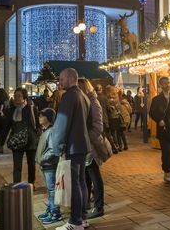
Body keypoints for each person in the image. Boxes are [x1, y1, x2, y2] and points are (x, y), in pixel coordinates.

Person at [52, 68, 91, 230]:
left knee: (74, 184)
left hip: (73, 147)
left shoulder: (69, 97)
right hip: (82, 145)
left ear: (70, 78)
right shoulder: (83, 96)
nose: (59, 82)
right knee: (81, 182)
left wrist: (57, 146)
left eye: (61, 78)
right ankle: (82, 217)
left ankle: (75, 222)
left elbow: (61, 124)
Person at [78, 79, 106, 219]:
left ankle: (99, 206)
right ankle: (87, 203)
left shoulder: (93, 102)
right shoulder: (84, 102)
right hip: (84, 145)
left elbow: (98, 127)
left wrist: (87, 139)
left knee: (94, 175)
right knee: (86, 175)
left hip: (91, 145)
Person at [5, 87, 40, 185]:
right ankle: (16, 185)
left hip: (30, 141)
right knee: (17, 166)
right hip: (17, 141)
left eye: (19, 96)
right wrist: (0, 142)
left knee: (31, 164)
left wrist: (37, 135)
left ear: (24, 98)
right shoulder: (11, 110)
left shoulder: (31, 109)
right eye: (15, 96)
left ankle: (31, 183)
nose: (16, 98)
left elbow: (37, 124)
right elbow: (6, 126)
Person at [35, 108, 61, 225]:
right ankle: (50, 209)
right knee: (49, 189)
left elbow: (52, 150)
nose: (39, 117)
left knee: (52, 189)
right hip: (46, 165)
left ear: (49, 119)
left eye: (42, 116)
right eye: (39, 115)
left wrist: (42, 158)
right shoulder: (44, 130)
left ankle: (55, 213)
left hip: (50, 165)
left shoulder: (51, 131)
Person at [95, 85, 117, 154]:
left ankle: (101, 150)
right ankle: (113, 148)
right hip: (104, 120)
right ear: (101, 89)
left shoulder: (94, 98)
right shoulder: (104, 98)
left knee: (98, 136)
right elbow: (108, 109)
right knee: (108, 135)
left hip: (96, 120)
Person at [105, 85, 122, 153]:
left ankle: (114, 146)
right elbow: (119, 107)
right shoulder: (117, 98)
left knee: (111, 133)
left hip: (111, 117)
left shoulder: (108, 100)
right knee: (115, 133)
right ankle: (118, 145)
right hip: (117, 117)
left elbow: (108, 109)